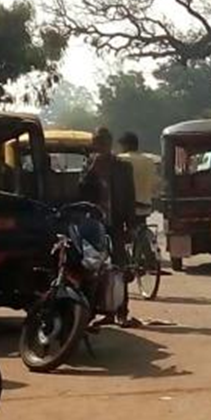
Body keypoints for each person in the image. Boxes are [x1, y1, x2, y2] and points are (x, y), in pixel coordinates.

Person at [81, 127, 140, 328]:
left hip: (116, 223)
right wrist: (91, 170)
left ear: (109, 143)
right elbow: (80, 190)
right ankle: (98, 311)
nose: (100, 145)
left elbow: (130, 197)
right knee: (93, 268)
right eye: (97, 142)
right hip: (94, 224)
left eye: (103, 141)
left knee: (119, 269)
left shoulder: (123, 167)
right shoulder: (89, 165)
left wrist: (131, 226)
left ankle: (121, 311)